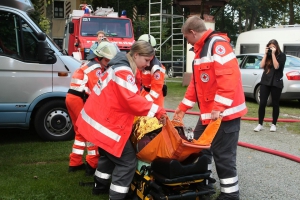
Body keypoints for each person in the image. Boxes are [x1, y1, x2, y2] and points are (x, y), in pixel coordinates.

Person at [75, 40, 167, 200]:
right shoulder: (123, 70)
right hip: (106, 122)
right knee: (127, 161)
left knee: (108, 154)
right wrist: (157, 111)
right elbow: (131, 100)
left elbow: (129, 95)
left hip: (98, 119)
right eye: (146, 60)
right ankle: (117, 196)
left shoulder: (119, 66)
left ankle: (100, 186)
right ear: (136, 55)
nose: (146, 65)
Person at [173, 16, 247, 200]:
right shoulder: (201, 50)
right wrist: (182, 108)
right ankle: (202, 183)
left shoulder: (217, 46)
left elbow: (228, 78)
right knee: (198, 148)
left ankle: (230, 195)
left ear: (192, 32)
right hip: (211, 114)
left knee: (223, 155)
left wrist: (219, 107)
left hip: (224, 114)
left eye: (186, 37)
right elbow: (196, 85)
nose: (186, 41)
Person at [66, 41, 119, 176]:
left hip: (72, 98)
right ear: (99, 57)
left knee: (80, 132)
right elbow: (98, 91)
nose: (108, 63)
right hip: (79, 100)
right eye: (107, 60)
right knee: (91, 133)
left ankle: (75, 162)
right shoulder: (95, 70)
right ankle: (92, 164)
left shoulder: (88, 65)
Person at [253, 40, 286, 132]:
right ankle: (260, 124)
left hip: (276, 81)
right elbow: (261, 65)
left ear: (276, 47)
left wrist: (273, 54)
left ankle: (273, 124)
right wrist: (265, 54)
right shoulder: (267, 56)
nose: (271, 48)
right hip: (265, 81)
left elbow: (276, 67)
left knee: (275, 103)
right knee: (262, 103)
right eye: (269, 47)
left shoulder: (282, 56)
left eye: (273, 47)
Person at [136, 34, 166, 107]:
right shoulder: (141, 62)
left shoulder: (156, 68)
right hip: (145, 92)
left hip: (154, 99)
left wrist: (143, 102)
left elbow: (155, 92)